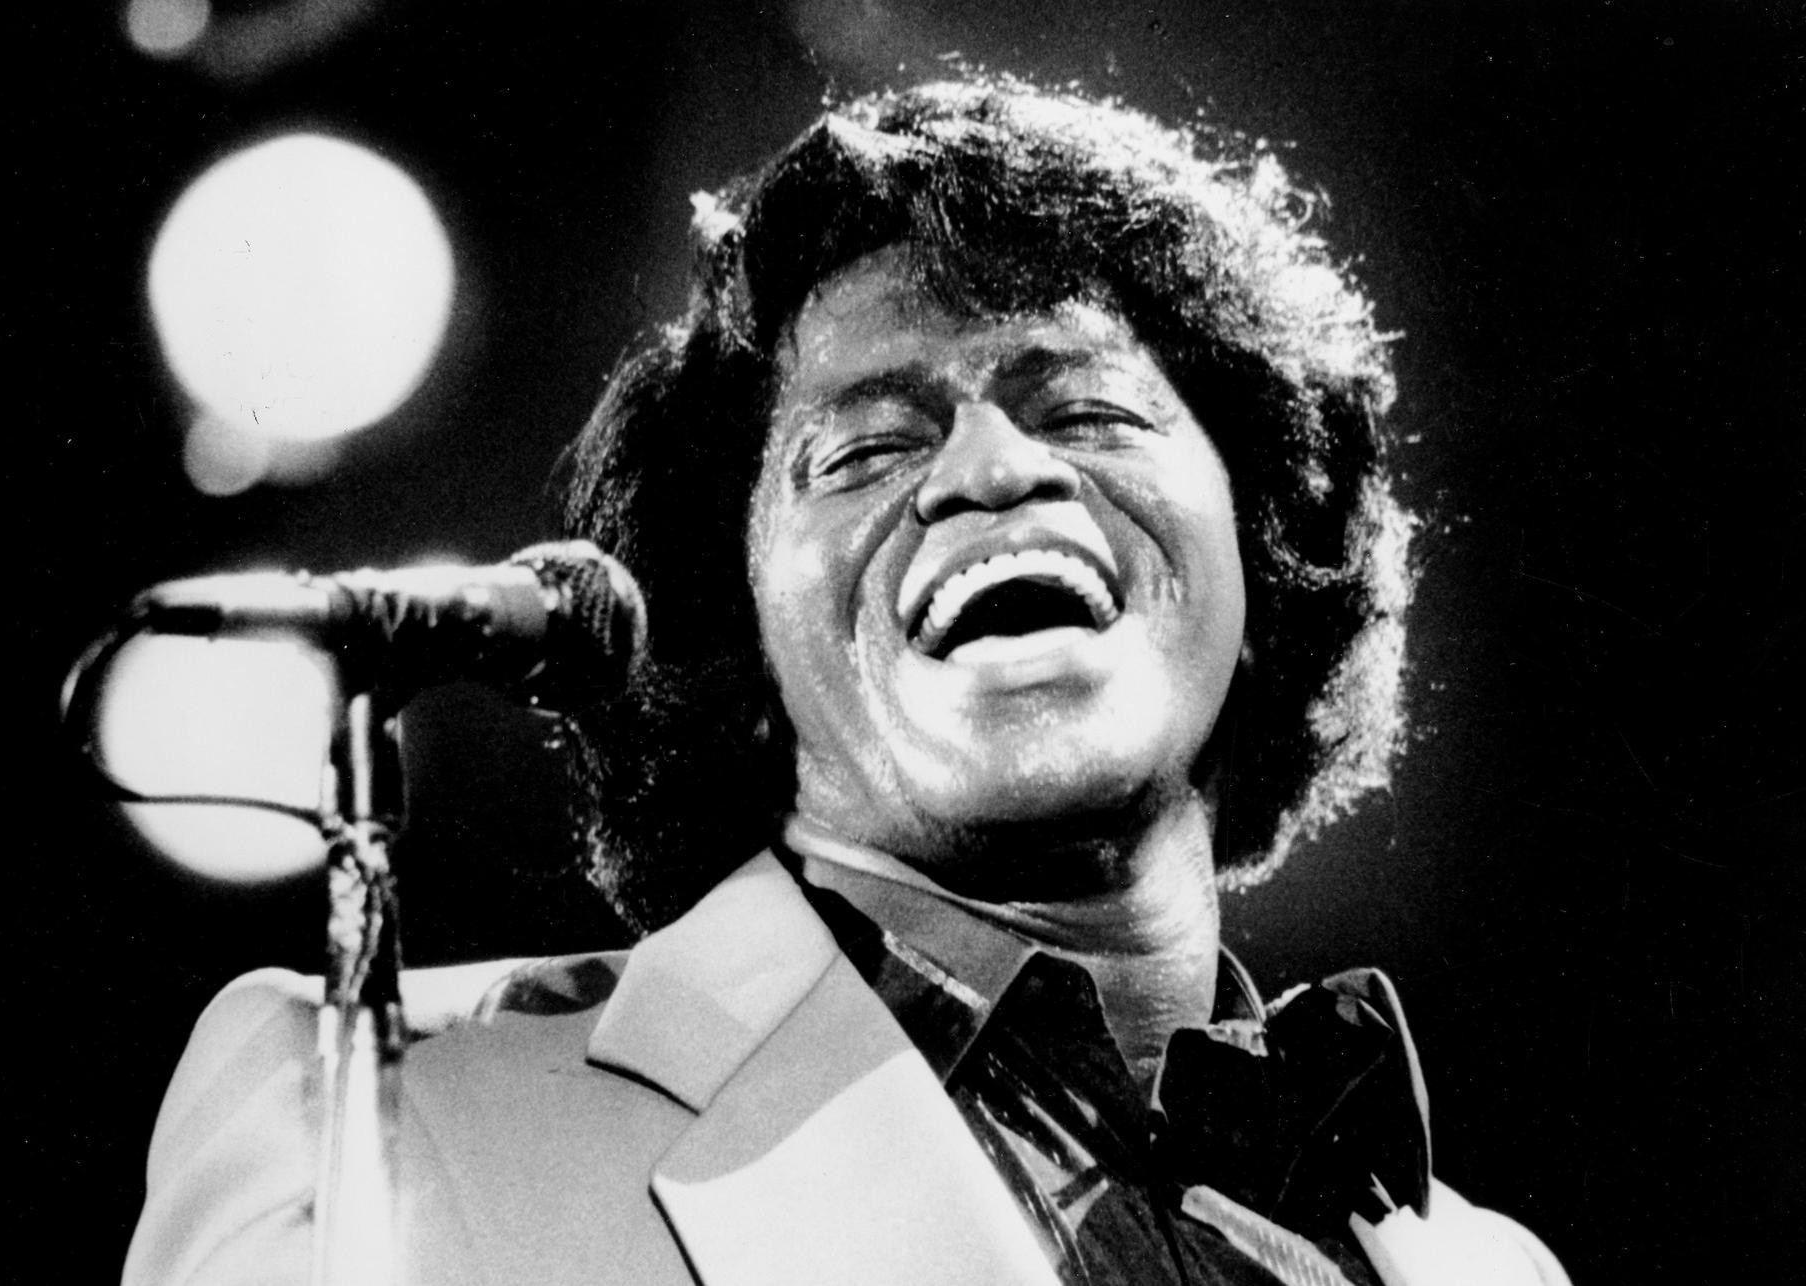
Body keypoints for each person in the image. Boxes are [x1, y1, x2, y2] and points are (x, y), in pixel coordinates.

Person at [123, 77, 1569, 1285]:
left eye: (1090, 407)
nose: (993, 467)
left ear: (1261, 560)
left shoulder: (1486, 1263)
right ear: (742, 643)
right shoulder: (373, 1110)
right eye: (868, 447)